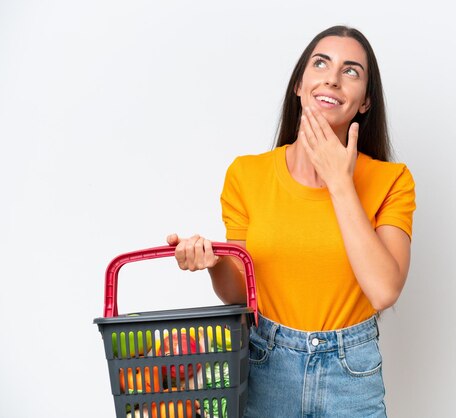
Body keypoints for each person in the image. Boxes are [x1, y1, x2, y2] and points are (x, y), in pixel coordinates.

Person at [167, 25, 415, 417]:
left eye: (351, 71)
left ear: (365, 101)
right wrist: (213, 265)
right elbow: (240, 294)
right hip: (267, 365)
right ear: (300, 84)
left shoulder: (391, 180)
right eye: (321, 63)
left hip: (351, 375)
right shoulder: (246, 175)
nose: (332, 77)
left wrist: (340, 183)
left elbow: (383, 290)